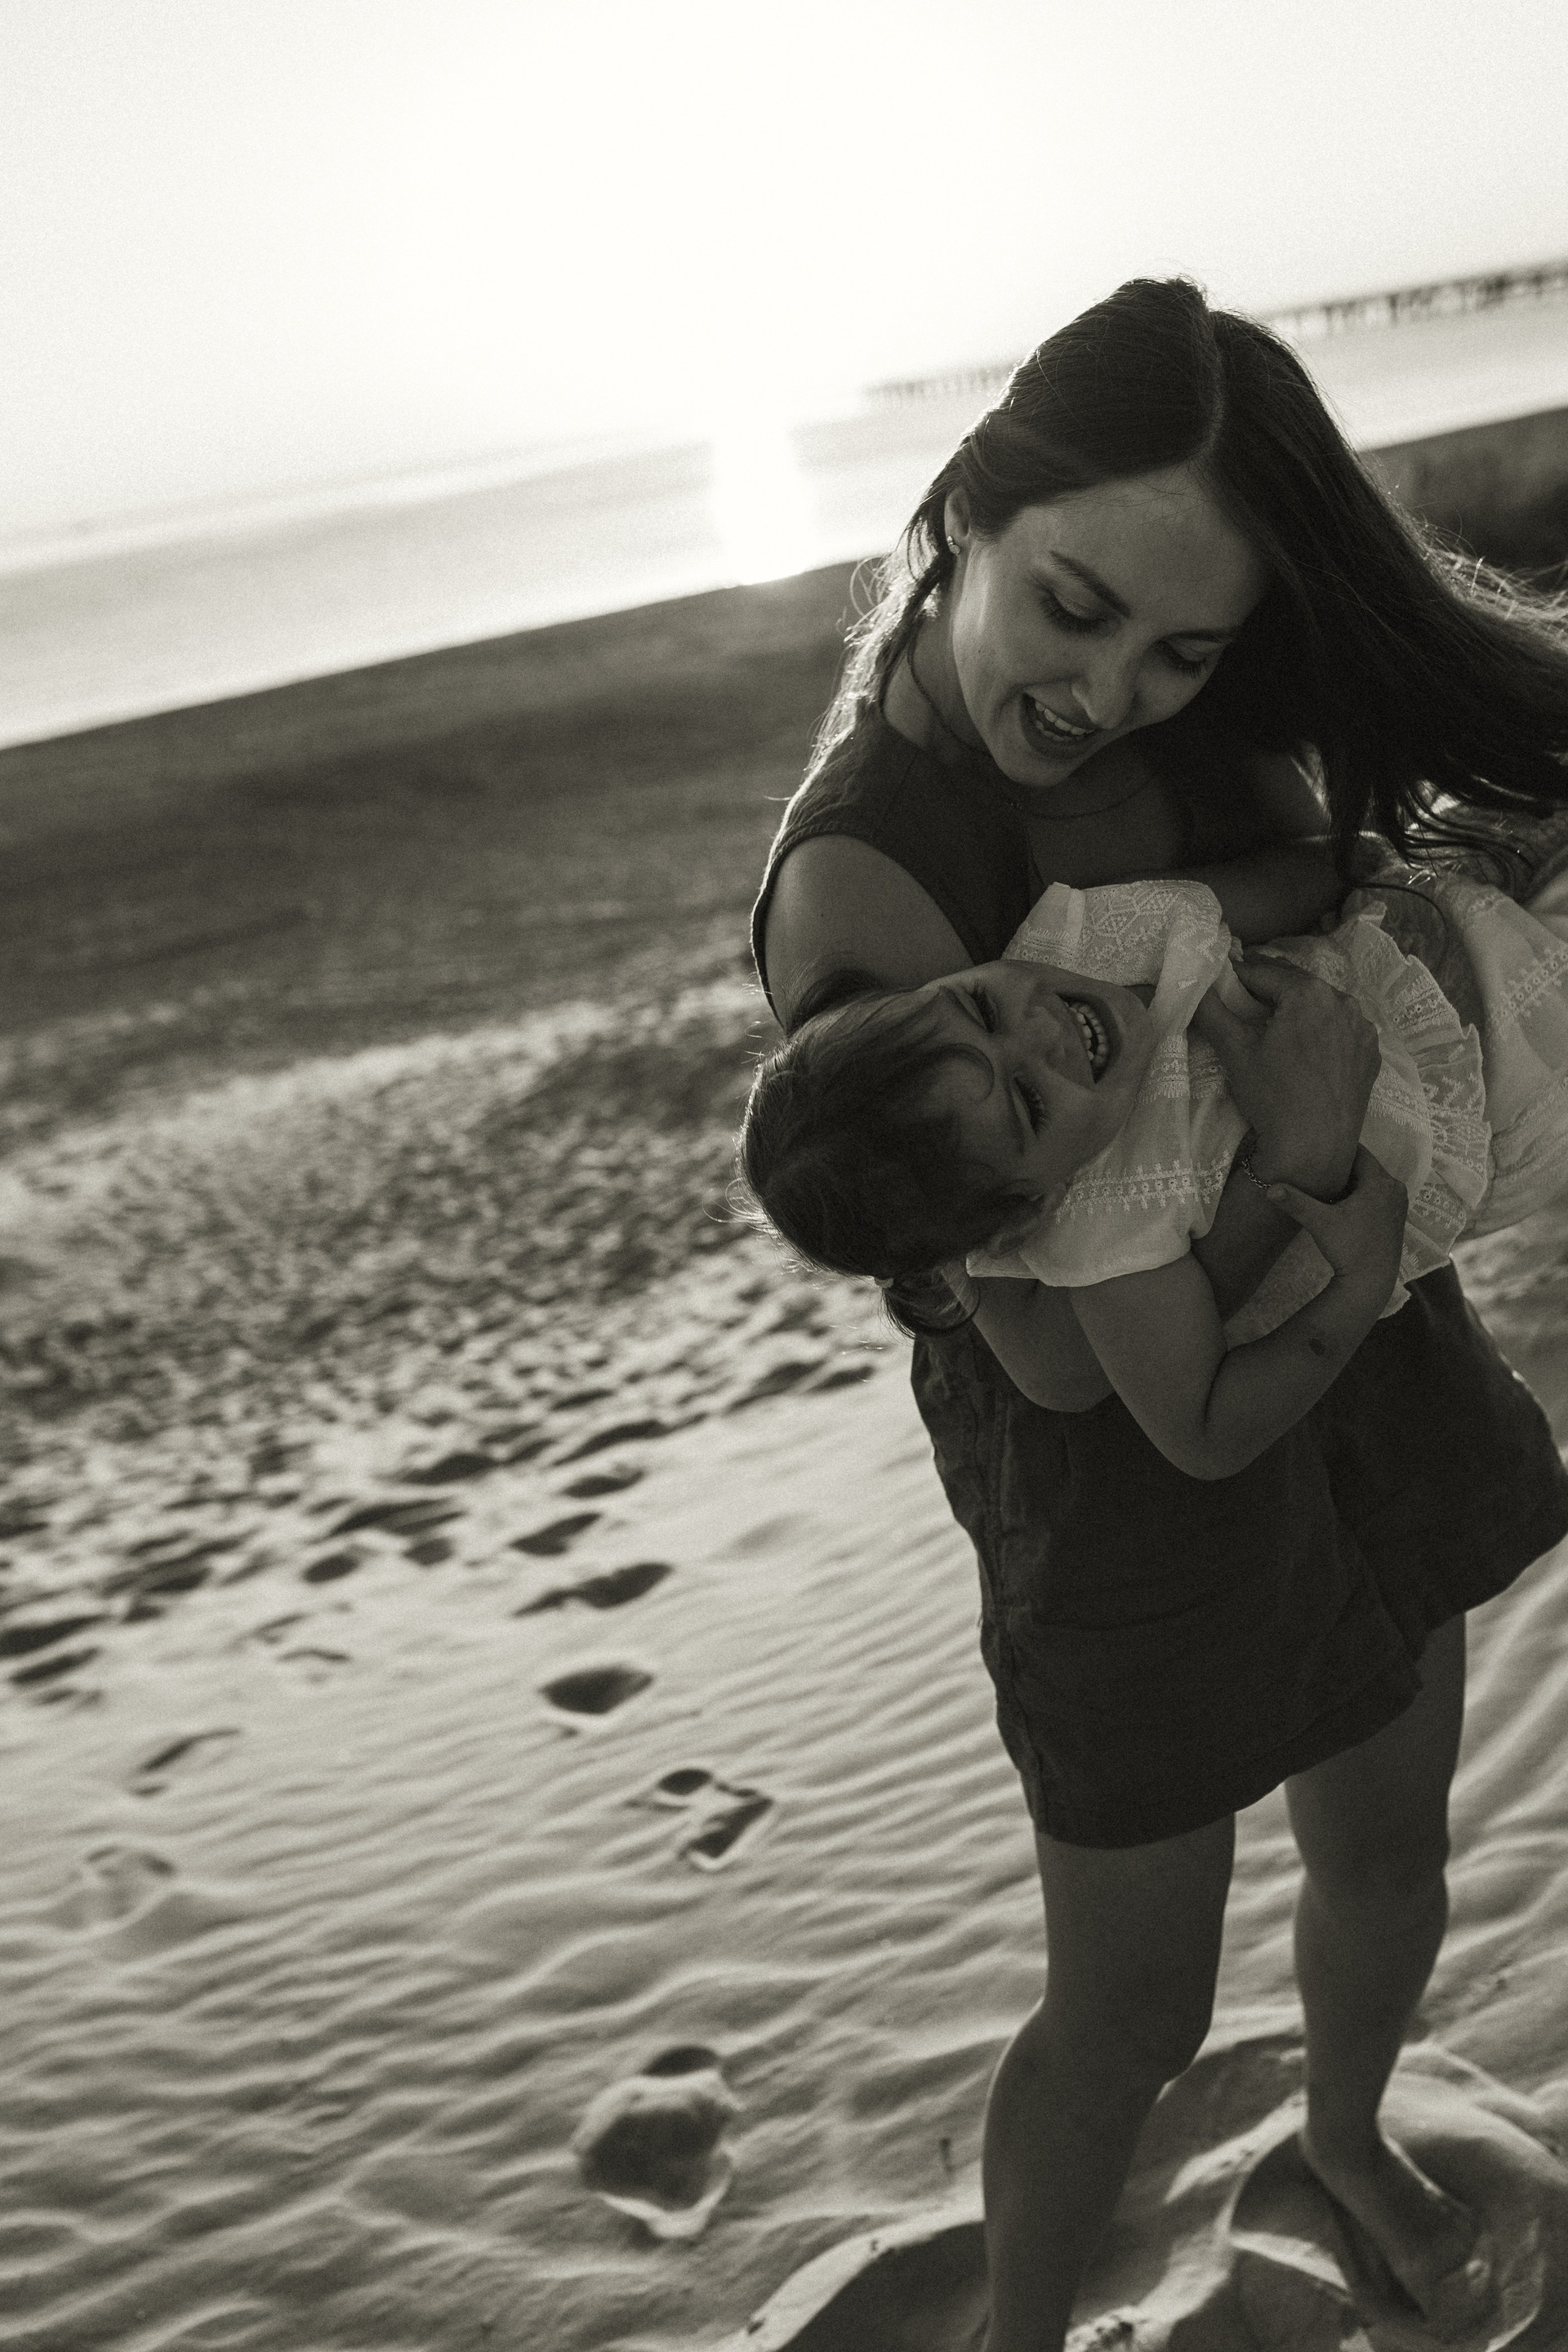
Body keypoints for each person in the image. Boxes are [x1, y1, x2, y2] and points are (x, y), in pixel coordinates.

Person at [750, 276, 1568, 2352]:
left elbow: (1316, 895)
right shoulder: (869, 877)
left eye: (1179, 650)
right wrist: (1296, 1158)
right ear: (969, 510)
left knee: (1389, 1849)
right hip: (1123, 1481)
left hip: (1359, 1321)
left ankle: (1350, 2136)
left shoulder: (1197, 716)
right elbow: (1043, 1350)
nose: (1108, 690)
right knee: (1133, 2007)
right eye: (1075, 606)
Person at [741, 856, 1568, 1480]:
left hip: (1456, 927)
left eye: (980, 1008)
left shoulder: (1073, 938)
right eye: (1029, 1101)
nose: (1043, 1033)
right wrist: (1357, 1286)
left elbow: (1275, 882)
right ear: (1026, 1209)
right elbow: (1205, 1432)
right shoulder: (1105, 1232)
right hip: (1507, 1104)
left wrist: (1372, 874)